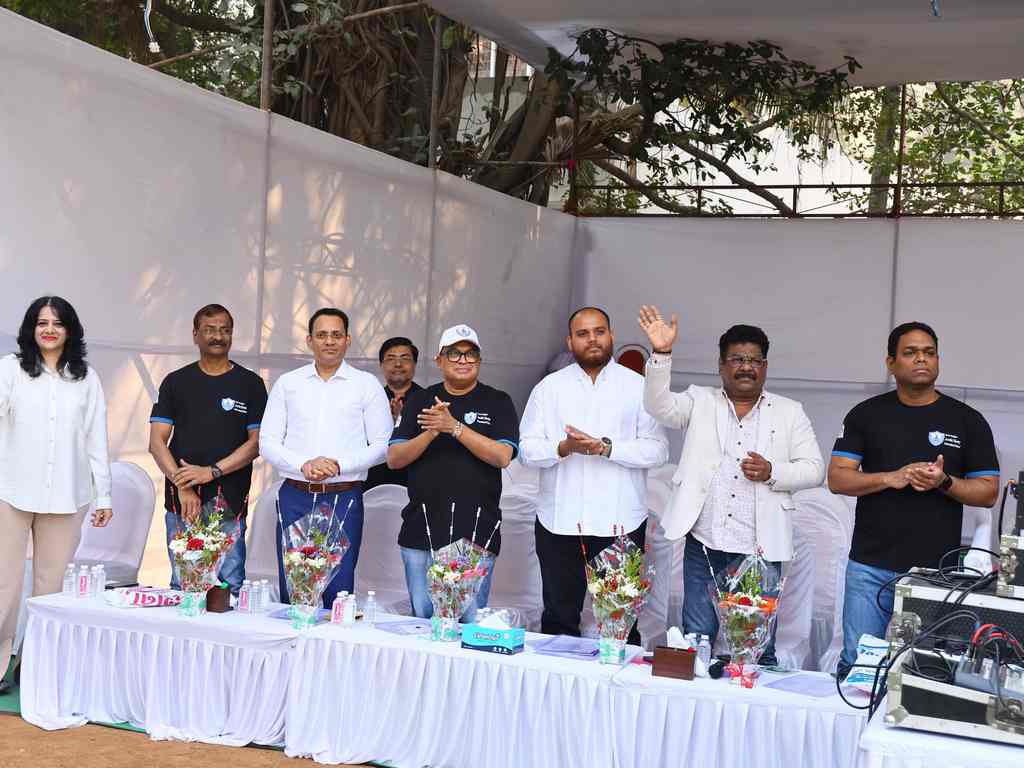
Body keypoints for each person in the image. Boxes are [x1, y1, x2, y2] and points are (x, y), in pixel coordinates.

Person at [639, 305, 824, 665]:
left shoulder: (790, 412)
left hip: (760, 548)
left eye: (754, 360)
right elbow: (658, 406)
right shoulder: (699, 400)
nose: (746, 367)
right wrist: (661, 353)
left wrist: (772, 471)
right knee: (697, 638)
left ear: (765, 367)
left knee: (756, 646)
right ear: (721, 366)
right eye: (737, 359)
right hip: (705, 542)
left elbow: (814, 469)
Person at [828, 321, 999, 677]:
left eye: (929, 352)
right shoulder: (865, 414)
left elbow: (988, 492)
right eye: (910, 352)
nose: (922, 359)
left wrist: (944, 481)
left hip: (936, 575)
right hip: (869, 568)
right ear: (890, 363)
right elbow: (837, 478)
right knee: (859, 669)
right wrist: (890, 477)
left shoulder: (967, 420)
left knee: (924, 671)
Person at [520, 308, 669, 645]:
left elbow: (658, 450)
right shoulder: (549, 388)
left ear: (611, 336)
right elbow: (527, 449)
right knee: (559, 620)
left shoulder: (638, 387)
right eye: (583, 333)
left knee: (621, 624)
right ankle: (559, 679)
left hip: (619, 521)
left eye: (599, 331)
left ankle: (620, 680)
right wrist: (563, 447)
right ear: (569, 341)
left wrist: (607, 448)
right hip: (559, 521)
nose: (592, 340)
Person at [0, 297, 113, 694]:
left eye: (57, 323)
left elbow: (96, 439)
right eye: (42, 322)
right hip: (11, 491)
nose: (49, 329)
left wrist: (104, 496)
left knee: (50, 588)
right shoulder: (10, 370)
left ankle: (35, 666)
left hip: (67, 494)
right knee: (4, 584)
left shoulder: (87, 378)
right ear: (31, 329)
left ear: (70, 330)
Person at [260, 308, 392, 607]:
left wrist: (338, 466)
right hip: (295, 495)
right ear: (309, 340)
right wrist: (303, 465)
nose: (329, 341)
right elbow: (267, 442)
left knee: (338, 589)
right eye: (321, 335)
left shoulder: (366, 384)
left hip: (343, 496)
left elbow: (383, 445)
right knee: (295, 587)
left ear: (348, 340)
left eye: (336, 335)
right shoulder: (288, 383)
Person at [387, 324, 519, 620]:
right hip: (421, 529)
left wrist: (454, 427)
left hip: (475, 532)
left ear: (479, 360)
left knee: (470, 625)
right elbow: (394, 459)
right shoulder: (420, 401)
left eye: (470, 354)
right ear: (439, 360)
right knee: (422, 623)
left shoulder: (498, 401)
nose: (463, 360)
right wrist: (431, 432)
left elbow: (502, 456)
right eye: (454, 353)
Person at [149, 304, 267, 595]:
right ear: (195, 335)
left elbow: (256, 443)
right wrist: (184, 485)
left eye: (225, 330)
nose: (218, 336)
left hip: (229, 501)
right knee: (183, 586)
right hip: (183, 502)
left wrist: (211, 472)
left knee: (228, 588)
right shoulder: (176, 382)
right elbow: (156, 443)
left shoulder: (250, 384)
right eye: (210, 330)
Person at [365, 337, 422, 490]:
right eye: (391, 359)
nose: (398, 364)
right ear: (381, 365)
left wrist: (401, 420)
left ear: (415, 364)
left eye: (405, 358)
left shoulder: (428, 400)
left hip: (414, 485)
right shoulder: (369, 398)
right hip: (373, 483)